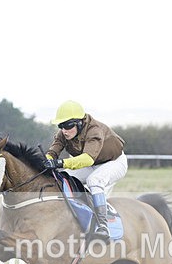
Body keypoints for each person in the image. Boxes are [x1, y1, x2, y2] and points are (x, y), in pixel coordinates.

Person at [43, 100, 127, 242]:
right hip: (92, 164)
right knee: (63, 177)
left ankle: (103, 225)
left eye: (68, 125)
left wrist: (61, 163)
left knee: (94, 180)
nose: (64, 130)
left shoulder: (94, 130)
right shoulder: (63, 134)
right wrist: (46, 160)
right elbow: (53, 151)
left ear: (80, 123)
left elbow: (87, 159)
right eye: (61, 126)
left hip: (114, 162)